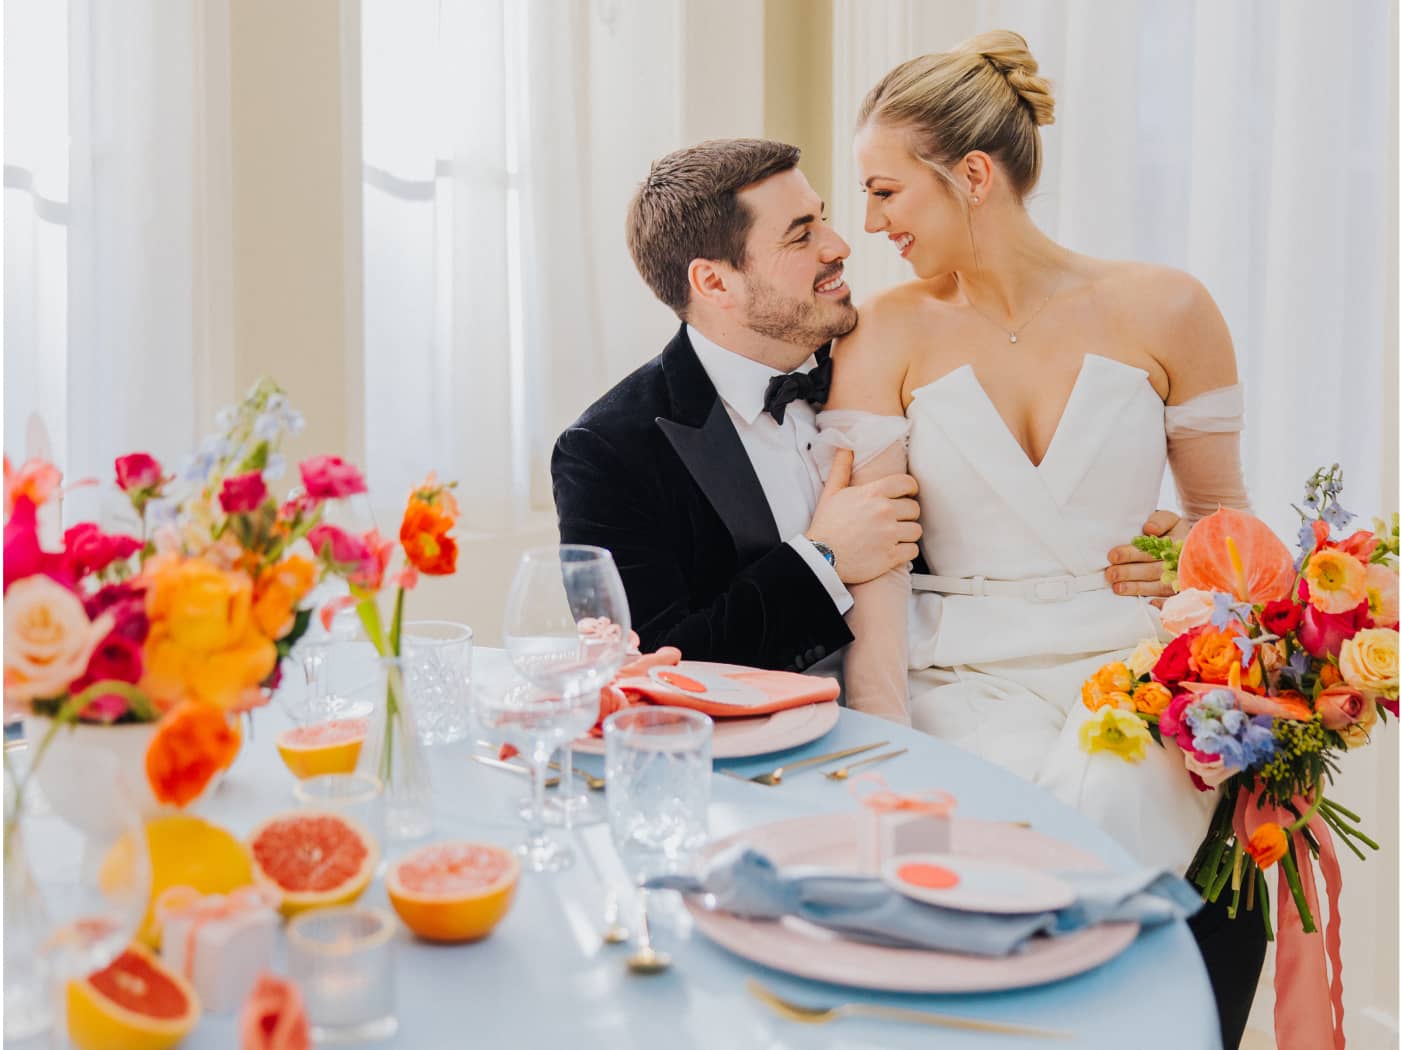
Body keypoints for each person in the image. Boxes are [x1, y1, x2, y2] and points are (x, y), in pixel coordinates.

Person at [821, 31, 1262, 1049]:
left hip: (1134, 667)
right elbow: (877, 566)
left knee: (1100, 817)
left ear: (972, 175)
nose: (872, 222)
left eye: (887, 192)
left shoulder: (1170, 308)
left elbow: (1226, 524)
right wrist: (882, 742)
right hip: (957, 673)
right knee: (984, 840)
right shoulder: (883, 332)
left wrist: (1183, 553)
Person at [551, 139, 923, 674]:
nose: (839, 245)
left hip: (939, 697)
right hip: (756, 748)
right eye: (801, 235)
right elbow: (653, 668)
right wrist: (824, 560)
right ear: (714, 282)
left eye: (823, 219)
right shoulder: (605, 452)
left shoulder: (884, 360)